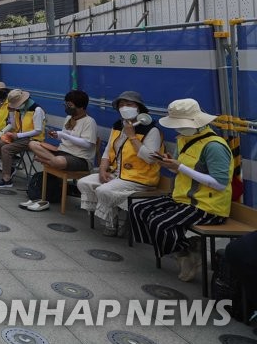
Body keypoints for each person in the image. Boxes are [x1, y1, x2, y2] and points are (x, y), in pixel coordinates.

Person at [130, 99, 235, 282]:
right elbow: (179, 169)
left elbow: (220, 183)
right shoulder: (185, 140)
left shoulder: (214, 146)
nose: (177, 129)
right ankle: (184, 249)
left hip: (207, 206)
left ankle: (186, 254)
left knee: (160, 223)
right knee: (139, 209)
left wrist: (179, 167)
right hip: (183, 198)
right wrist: (168, 163)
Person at [77, 91, 163, 235]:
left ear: (139, 108)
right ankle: (113, 221)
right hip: (117, 173)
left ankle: (119, 223)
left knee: (104, 190)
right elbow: (108, 150)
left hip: (139, 178)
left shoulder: (151, 129)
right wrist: (103, 169)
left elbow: (150, 158)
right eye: (121, 105)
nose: (124, 107)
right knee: (83, 183)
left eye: (129, 104)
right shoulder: (118, 125)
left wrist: (132, 136)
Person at [19, 89, 98, 211]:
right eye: (66, 104)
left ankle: (48, 160)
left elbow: (87, 144)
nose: (67, 107)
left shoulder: (89, 121)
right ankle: (51, 160)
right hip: (62, 151)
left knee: (59, 161)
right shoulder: (68, 118)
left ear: (81, 107)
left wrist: (65, 135)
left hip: (80, 158)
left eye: (70, 105)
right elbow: (65, 138)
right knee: (33, 144)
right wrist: (57, 135)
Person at [0, 89, 45, 188]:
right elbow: (12, 125)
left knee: (6, 149)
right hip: (19, 137)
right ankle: (10, 167)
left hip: (33, 139)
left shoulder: (37, 110)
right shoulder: (17, 109)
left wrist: (18, 135)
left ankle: (7, 179)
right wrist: (3, 130)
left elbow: (38, 130)